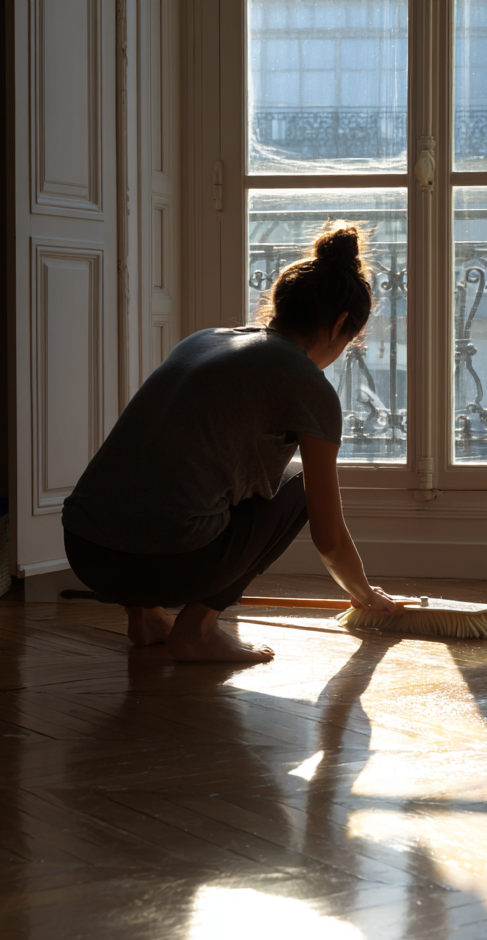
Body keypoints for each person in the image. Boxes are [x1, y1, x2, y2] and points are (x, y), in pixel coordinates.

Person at [61, 223, 399, 662]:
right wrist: (365, 594)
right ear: (339, 324)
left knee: (176, 470)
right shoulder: (308, 385)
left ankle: (146, 618)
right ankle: (197, 630)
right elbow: (328, 537)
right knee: (298, 492)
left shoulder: (204, 341)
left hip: (86, 552)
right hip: (169, 564)